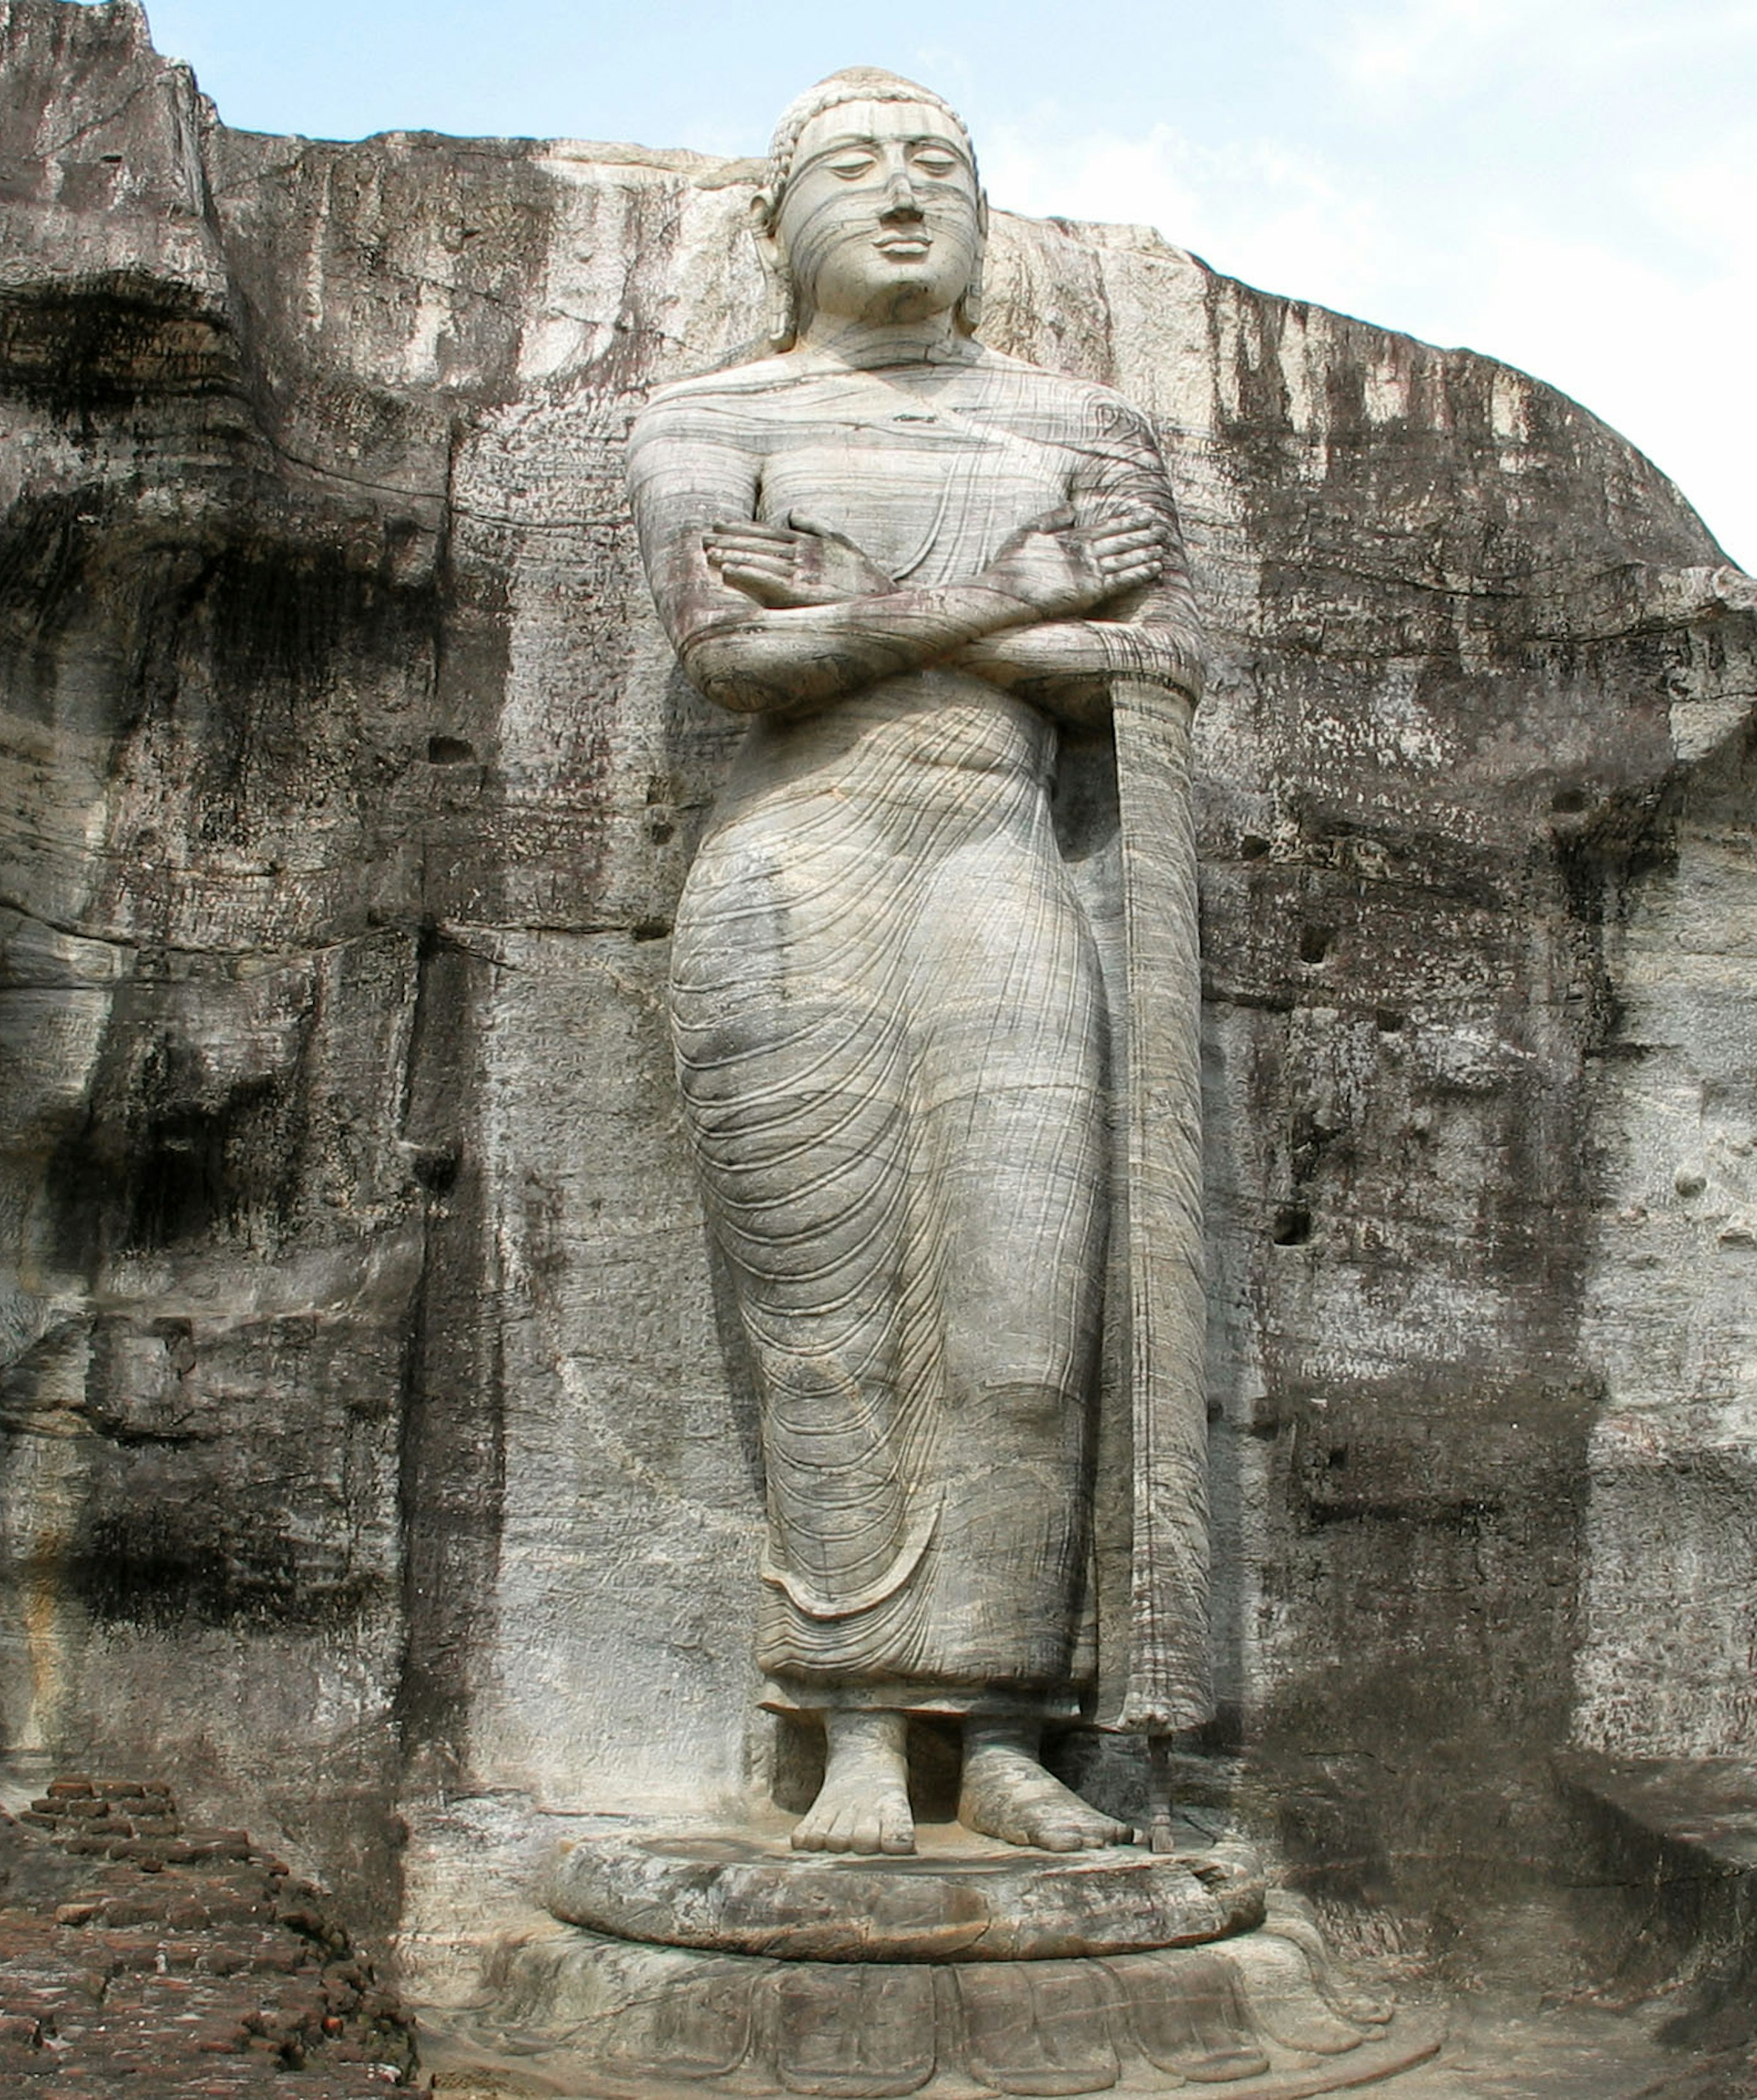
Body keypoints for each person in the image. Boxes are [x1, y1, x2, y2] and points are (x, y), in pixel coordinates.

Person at [623, 67, 1207, 1856]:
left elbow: (1152, 667)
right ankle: (859, 1729)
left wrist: (851, 608)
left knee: (1025, 1334)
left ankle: (1008, 1724)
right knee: (829, 1333)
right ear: (778, 221)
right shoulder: (709, 415)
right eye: (859, 168)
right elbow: (735, 660)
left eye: (942, 166)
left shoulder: (1083, 421)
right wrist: (1017, 595)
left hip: (1001, 861)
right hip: (802, 874)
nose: (905, 195)